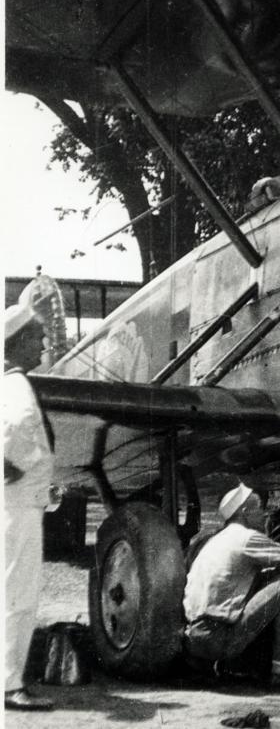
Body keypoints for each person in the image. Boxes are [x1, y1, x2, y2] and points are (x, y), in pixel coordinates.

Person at [183, 483, 280, 689]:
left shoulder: (215, 540)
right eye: (260, 508)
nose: (264, 515)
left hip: (195, 639)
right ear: (244, 512)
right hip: (219, 638)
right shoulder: (246, 538)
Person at [4, 303, 55, 711]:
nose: (43, 343)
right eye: (37, 337)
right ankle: (10, 686)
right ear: (19, 341)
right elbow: (18, 429)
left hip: (16, 503)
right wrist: (12, 468)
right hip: (19, 505)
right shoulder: (18, 387)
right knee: (19, 597)